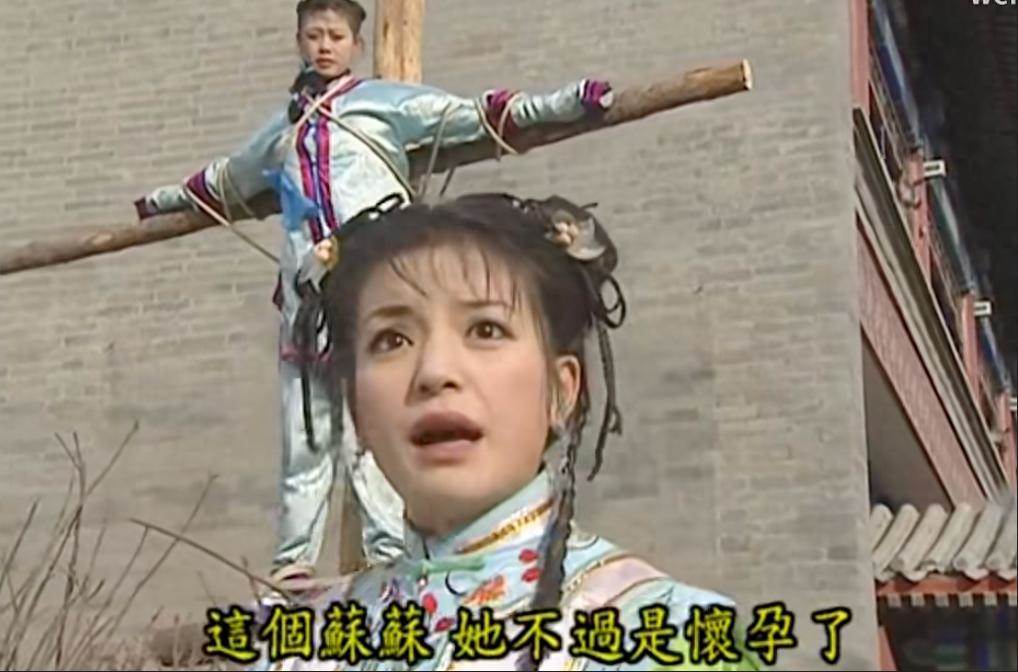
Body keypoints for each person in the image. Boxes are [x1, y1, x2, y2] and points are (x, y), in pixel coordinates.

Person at [132, 0, 615, 586]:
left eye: (336, 35)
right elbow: (224, 180)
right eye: (314, 35)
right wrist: (161, 202)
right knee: (307, 428)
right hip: (308, 301)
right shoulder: (282, 131)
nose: (324, 46)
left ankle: (391, 550)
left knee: (383, 416)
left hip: (378, 293)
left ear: (355, 45)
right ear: (299, 41)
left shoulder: (381, 104)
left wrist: (568, 102)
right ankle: (293, 563)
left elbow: (473, 115)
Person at [255, 193, 759, 671]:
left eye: (486, 330)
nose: (435, 372)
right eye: (392, 339)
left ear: (562, 391)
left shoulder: (663, 635)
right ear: (356, 409)